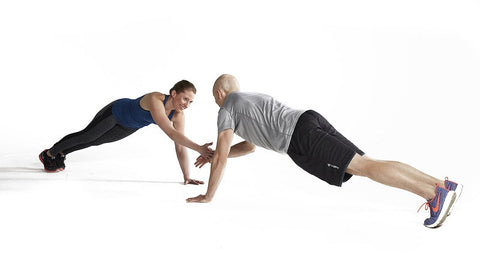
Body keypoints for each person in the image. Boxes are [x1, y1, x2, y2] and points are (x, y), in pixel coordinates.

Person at [187, 74, 463, 228]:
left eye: (214, 99)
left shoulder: (227, 107)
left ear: (220, 94)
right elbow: (249, 147)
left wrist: (209, 195)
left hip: (300, 137)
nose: (216, 104)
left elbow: (222, 156)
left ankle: (433, 195)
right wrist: (215, 155)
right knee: (367, 163)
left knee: (365, 167)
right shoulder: (250, 102)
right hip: (308, 120)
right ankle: (441, 185)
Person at [39, 80, 213, 185]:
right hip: (115, 113)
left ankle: (61, 152)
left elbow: (180, 146)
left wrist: (187, 176)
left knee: (95, 141)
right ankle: (49, 154)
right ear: (173, 93)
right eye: (185, 98)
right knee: (88, 135)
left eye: (191, 102)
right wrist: (199, 148)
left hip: (129, 126)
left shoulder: (178, 116)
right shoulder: (156, 99)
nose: (186, 104)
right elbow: (171, 134)